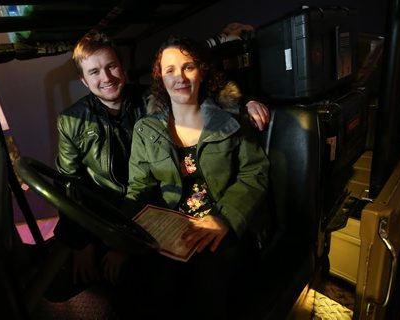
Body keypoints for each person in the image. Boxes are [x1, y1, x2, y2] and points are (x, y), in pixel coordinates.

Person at [52, 29, 270, 295]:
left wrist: (245, 102)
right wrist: (81, 243)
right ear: (84, 81)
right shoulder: (72, 121)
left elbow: (199, 89)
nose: (106, 77)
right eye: (94, 72)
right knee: (66, 279)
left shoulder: (151, 99)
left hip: (156, 210)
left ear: (123, 68)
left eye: (111, 67)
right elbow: (68, 183)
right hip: (112, 214)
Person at [122, 34, 271, 319]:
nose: (180, 77)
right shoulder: (146, 130)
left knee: (207, 284)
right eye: (170, 70)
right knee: (151, 282)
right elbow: (138, 187)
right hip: (171, 230)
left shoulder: (231, 122)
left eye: (188, 66)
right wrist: (125, 239)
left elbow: (255, 173)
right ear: (161, 79)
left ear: (202, 71)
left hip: (222, 225)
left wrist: (224, 219)